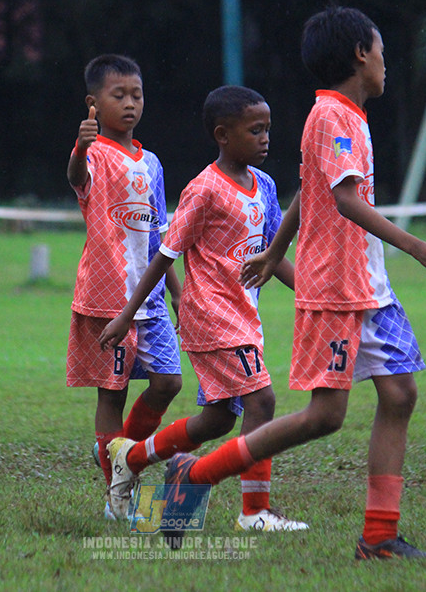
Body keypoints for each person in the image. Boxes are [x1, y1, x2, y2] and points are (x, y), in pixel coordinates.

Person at [158, 6, 426, 558]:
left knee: (400, 393)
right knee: (325, 417)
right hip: (338, 288)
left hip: (369, 284)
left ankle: (379, 538)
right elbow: (344, 199)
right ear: (359, 55)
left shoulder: (346, 115)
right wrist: (417, 246)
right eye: (381, 52)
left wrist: (273, 250)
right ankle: (197, 475)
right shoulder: (331, 118)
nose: (384, 64)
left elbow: (307, 191)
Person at [100, 86, 308, 532]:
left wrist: (311, 296)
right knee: (263, 401)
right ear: (223, 135)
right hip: (212, 314)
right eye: (255, 130)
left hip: (243, 315)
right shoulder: (204, 189)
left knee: (217, 419)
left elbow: (273, 257)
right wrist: (125, 315)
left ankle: (130, 456)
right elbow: (164, 254)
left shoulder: (266, 186)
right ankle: (254, 513)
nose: (266, 138)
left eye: (268, 129)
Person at [66, 54, 183, 520]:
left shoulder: (151, 162)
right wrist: (78, 147)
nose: (131, 103)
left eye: (137, 95)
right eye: (120, 95)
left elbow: (160, 236)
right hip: (106, 297)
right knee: (110, 394)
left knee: (169, 382)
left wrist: (176, 289)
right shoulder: (92, 153)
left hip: (150, 297)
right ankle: (118, 498)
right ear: (94, 102)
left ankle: (119, 458)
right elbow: (76, 179)